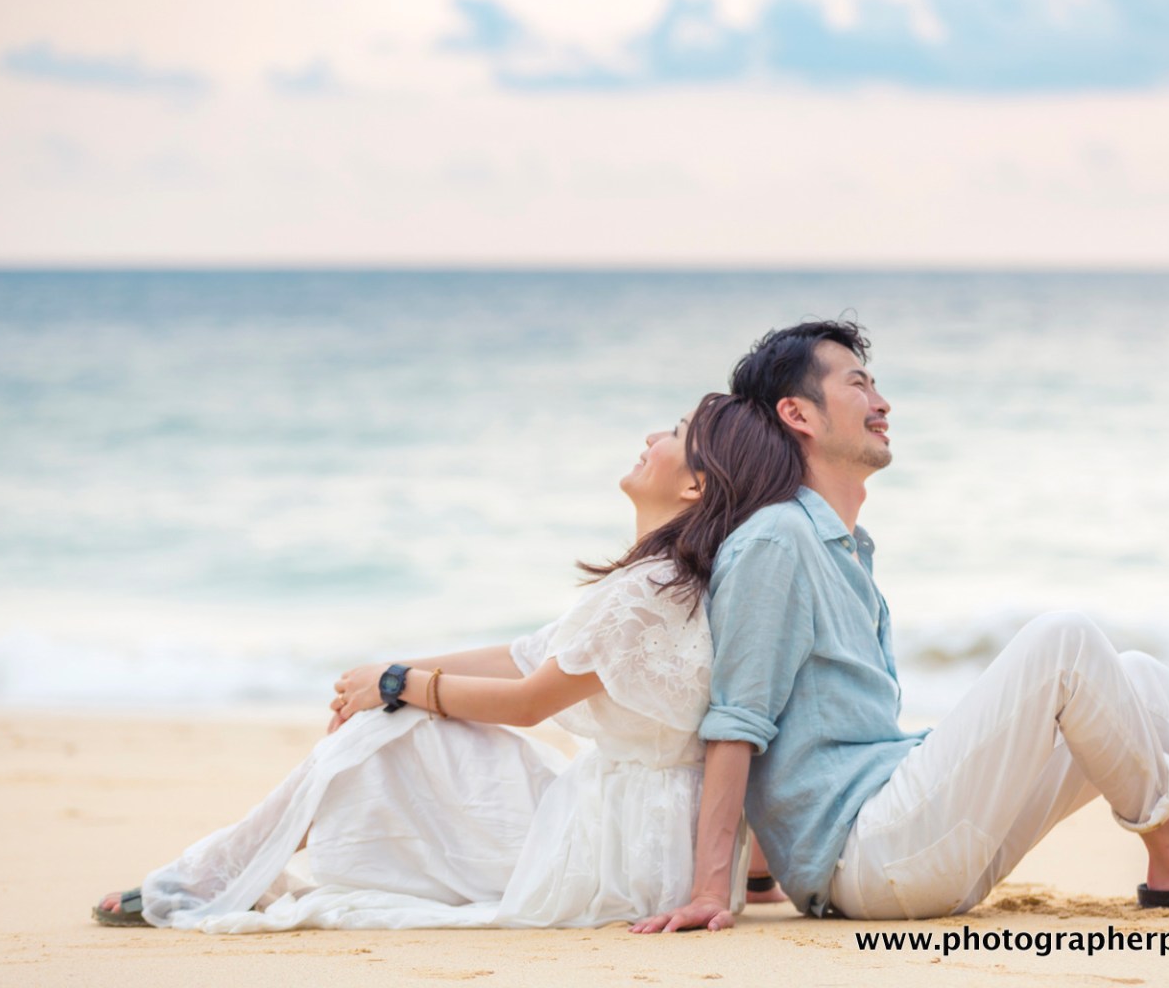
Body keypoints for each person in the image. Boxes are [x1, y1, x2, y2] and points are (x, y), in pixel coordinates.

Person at [632, 320, 1169, 932]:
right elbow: (738, 721)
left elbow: (808, 729)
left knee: (1134, 678)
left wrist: (763, 869)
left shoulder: (846, 546)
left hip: (903, 835)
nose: (882, 401)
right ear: (799, 415)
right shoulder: (778, 539)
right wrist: (717, 887)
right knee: (1065, 640)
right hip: (872, 855)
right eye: (858, 384)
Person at [93, 391, 800, 932]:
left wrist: (399, 686)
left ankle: (207, 878)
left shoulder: (645, 593)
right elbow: (525, 655)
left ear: (695, 489)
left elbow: (528, 701)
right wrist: (391, 671)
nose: (652, 437)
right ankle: (227, 869)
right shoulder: (665, 581)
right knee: (394, 713)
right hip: (647, 835)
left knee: (391, 724)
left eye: (674, 436)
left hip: (620, 855)